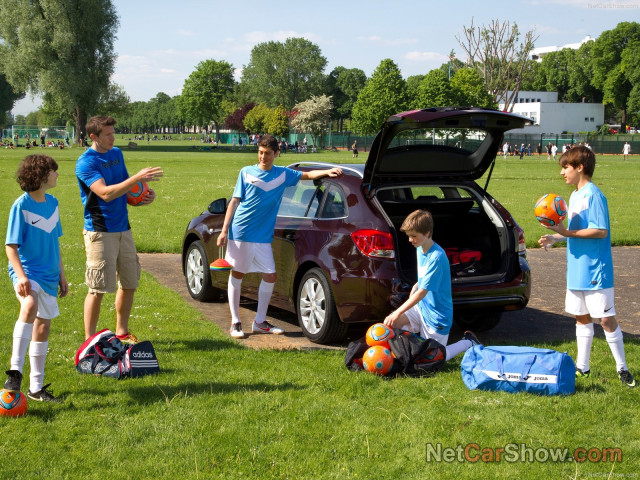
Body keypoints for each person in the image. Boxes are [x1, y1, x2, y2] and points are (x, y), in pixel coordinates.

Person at [217, 134, 342, 339]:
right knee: (237, 273)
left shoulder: (283, 174)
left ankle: (259, 322)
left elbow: (308, 176)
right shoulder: (246, 172)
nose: (262, 157)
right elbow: (234, 202)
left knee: (270, 275)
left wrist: (328, 171)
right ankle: (235, 322)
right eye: (260, 152)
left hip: (263, 236)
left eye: (267, 153)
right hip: (241, 231)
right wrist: (224, 230)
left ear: (276, 153)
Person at [538, 146, 635, 388]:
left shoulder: (594, 195)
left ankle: (622, 368)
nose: (562, 173)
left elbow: (600, 231)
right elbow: (577, 231)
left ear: (580, 168)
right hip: (577, 269)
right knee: (581, 318)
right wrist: (556, 238)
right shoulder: (573, 197)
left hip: (595, 270)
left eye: (565, 167)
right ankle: (583, 367)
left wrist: (566, 231)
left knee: (605, 320)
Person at [75, 116, 163, 342]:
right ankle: (89, 341)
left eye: (113, 132)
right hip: (100, 231)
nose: (113, 137)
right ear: (93, 137)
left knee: (130, 281)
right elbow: (105, 192)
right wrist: (137, 177)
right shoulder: (86, 162)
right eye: (107, 134)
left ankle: (121, 332)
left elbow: (126, 186)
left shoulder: (116, 154)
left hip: (123, 228)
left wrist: (143, 194)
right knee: (97, 288)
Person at [4, 154, 68, 402]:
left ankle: (36, 388)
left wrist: (62, 275)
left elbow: (55, 242)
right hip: (28, 273)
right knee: (29, 305)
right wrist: (20, 276)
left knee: (42, 327)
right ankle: (15, 371)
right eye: (54, 171)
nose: (57, 175)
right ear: (41, 175)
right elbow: (10, 246)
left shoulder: (53, 203)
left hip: (50, 276)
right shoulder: (21, 205)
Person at [382, 209, 480, 360]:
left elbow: (423, 292)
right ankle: (399, 355)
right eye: (409, 236)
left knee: (431, 358)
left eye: (414, 236)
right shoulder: (420, 248)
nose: (410, 240)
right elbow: (423, 281)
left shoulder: (437, 257)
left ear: (427, 233)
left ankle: (468, 342)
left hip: (437, 317)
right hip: (422, 308)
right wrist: (415, 287)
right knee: (391, 324)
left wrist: (398, 311)